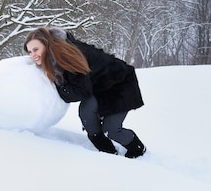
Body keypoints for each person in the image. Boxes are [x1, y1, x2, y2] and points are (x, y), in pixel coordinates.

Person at [23, 27, 146, 158]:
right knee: (87, 115)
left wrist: (58, 87)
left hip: (120, 83)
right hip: (98, 86)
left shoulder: (66, 56)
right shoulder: (56, 54)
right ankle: (108, 153)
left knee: (111, 129)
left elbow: (80, 91)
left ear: (47, 44)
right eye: (30, 52)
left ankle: (137, 149)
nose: (33, 55)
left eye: (36, 49)